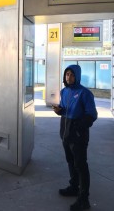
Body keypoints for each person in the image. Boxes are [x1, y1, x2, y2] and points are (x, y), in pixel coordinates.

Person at [52, 64, 97, 211]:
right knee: (71, 162)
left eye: (71, 74)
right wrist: (59, 110)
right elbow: (65, 109)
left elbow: (92, 115)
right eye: (67, 74)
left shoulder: (85, 93)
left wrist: (79, 125)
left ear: (77, 76)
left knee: (81, 165)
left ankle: (84, 199)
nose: (68, 77)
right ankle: (74, 187)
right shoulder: (64, 91)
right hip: (65, 133)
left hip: (78, 136)